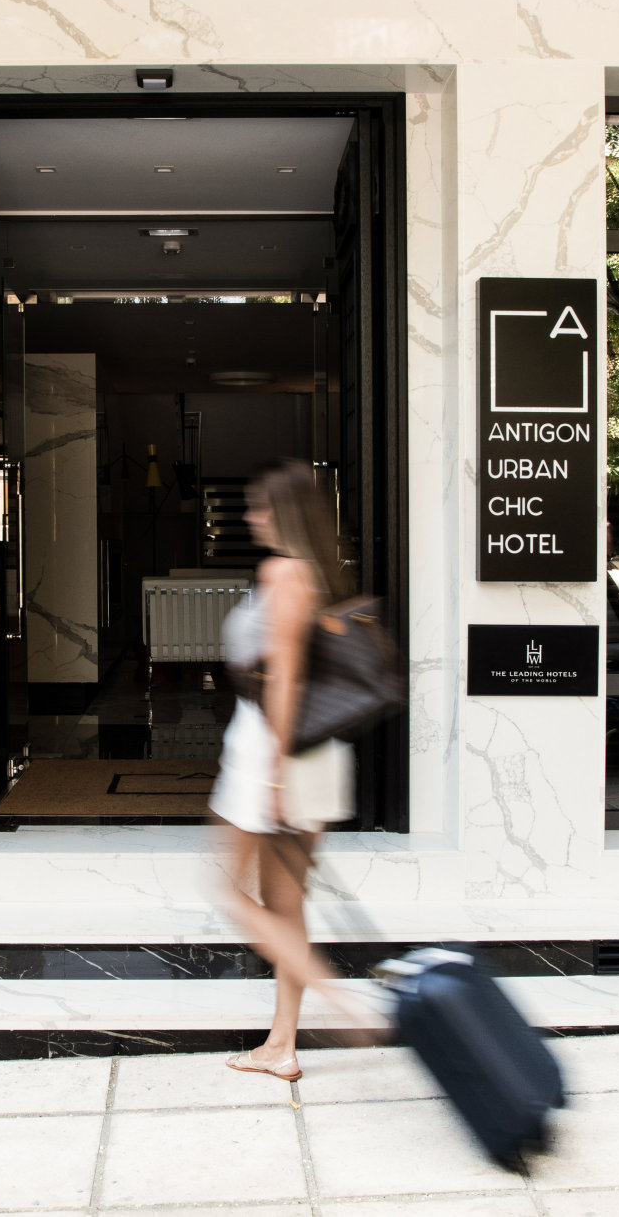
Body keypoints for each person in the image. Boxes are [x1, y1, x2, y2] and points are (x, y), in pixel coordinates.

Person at [211, 458, 381, 1081]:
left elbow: (284, 677)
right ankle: (281, 1045)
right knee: (286, 907)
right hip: (319, 753)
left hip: (271, 751)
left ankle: (337, 999)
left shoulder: (282, 571)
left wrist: (275, 776)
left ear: (282, 512)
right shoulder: (323, 574)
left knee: (226, 890)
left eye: (259, 506)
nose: (251, 515)